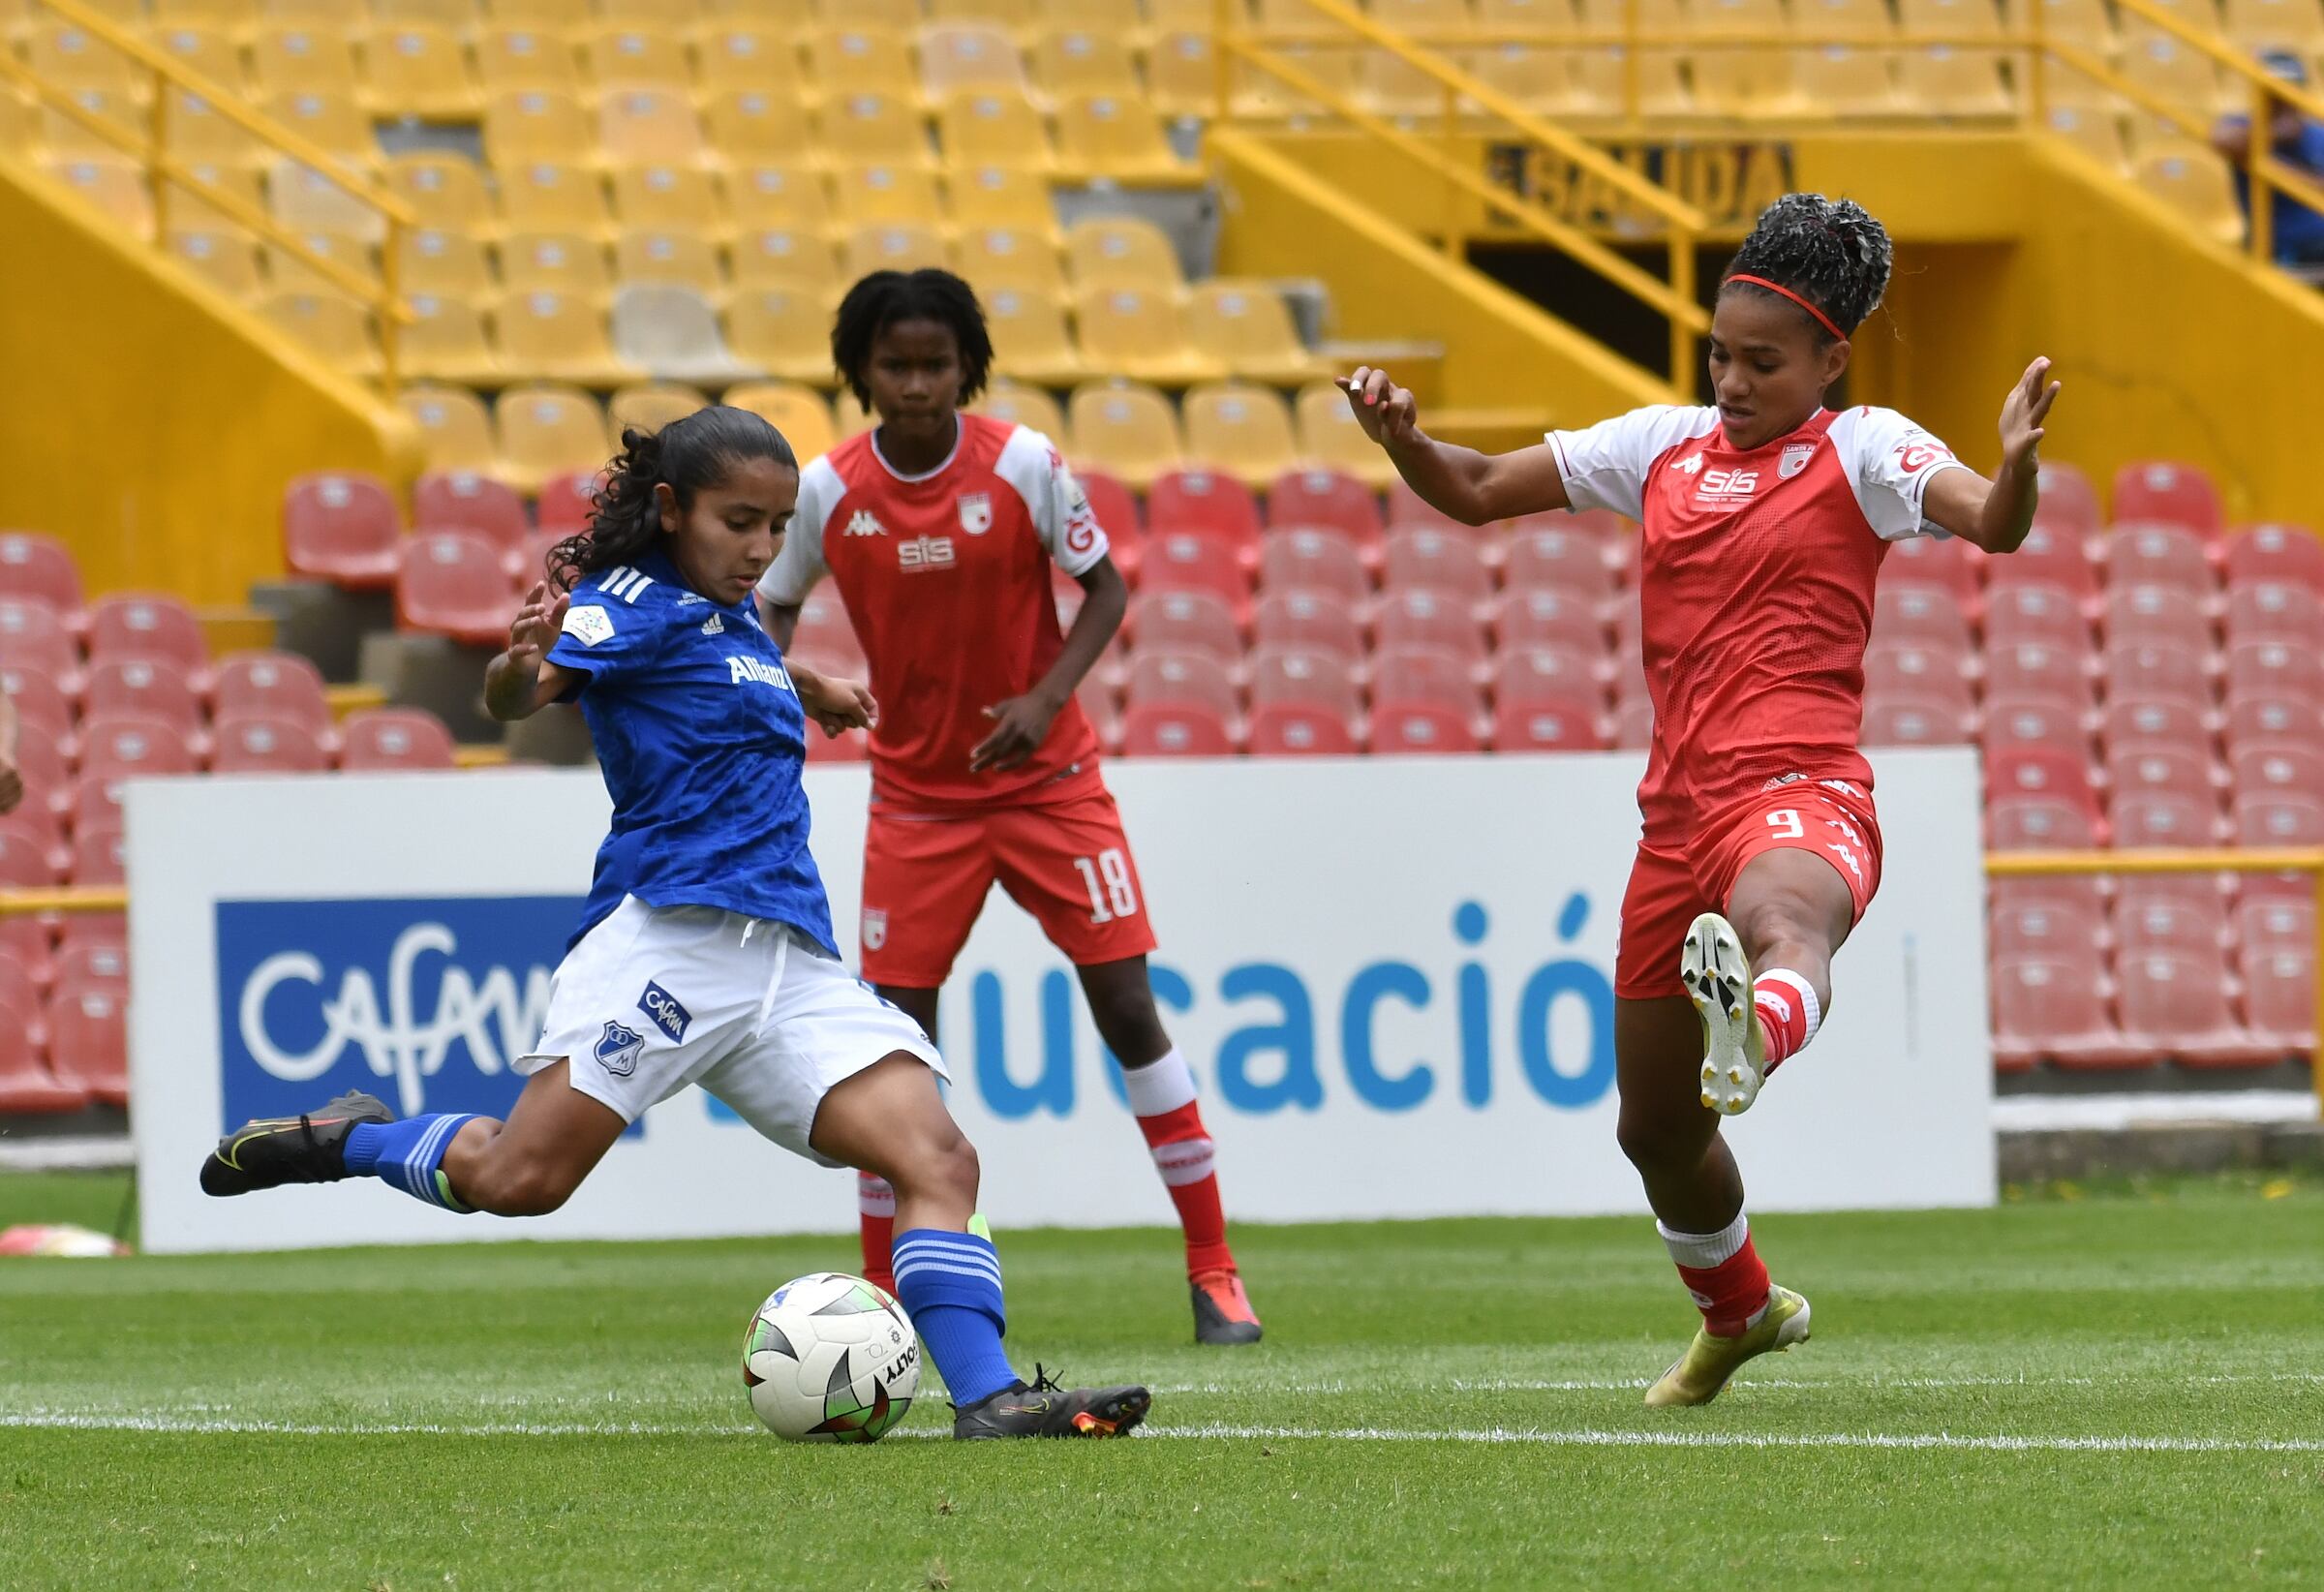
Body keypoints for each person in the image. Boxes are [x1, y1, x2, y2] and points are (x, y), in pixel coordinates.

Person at [199, 406, 1151, 1440]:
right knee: (519, 1182)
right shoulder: (627, 603)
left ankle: (990, 1397)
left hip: (788, 961)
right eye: (738, 521)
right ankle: (353, 1138)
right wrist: (519, 666)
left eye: (778, 527)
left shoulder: (727, 614)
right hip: (665, 944)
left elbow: (714, 662)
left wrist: (809, 684)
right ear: (670, 508)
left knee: (939, 1158)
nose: (759, 549)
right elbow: (532, 689)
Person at [1343, 194, 2059, 1407]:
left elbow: (1990, 522)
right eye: (1720, 354)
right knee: (1654, 1132)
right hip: (1673, 825)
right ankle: (1740, 1312)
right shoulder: (1660, 447)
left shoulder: (1864, 448)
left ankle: (1761, 1025)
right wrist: (1404, 438)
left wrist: (2021, 469)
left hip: (1801, 785)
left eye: (1761, 362)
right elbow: (1469, 487)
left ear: (1831, 359)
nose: (1731, 379)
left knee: (1788, 918)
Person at [755, 268, 1263, 1347]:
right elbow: (768, 616)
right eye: (895, 366)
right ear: (862, 373)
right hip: (917, 805)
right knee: (892, 1055)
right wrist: (790, 697)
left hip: (1052, 786)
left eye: (936, 365)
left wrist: (1046, 698)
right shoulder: (825, 491)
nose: (917, 385)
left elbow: (1108, 588)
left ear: (965, 368)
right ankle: (884, 1297)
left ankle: (1215, 1269)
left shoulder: (1024, 465)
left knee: (1128, 1006)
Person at [2210, 49, 2324, 268]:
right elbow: (2221, 140)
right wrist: (2273, 133)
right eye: (2274, 90)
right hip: (2282, 248)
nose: (2282, 98)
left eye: (2290, 88)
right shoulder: (2243, 126)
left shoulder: (2318, 133)